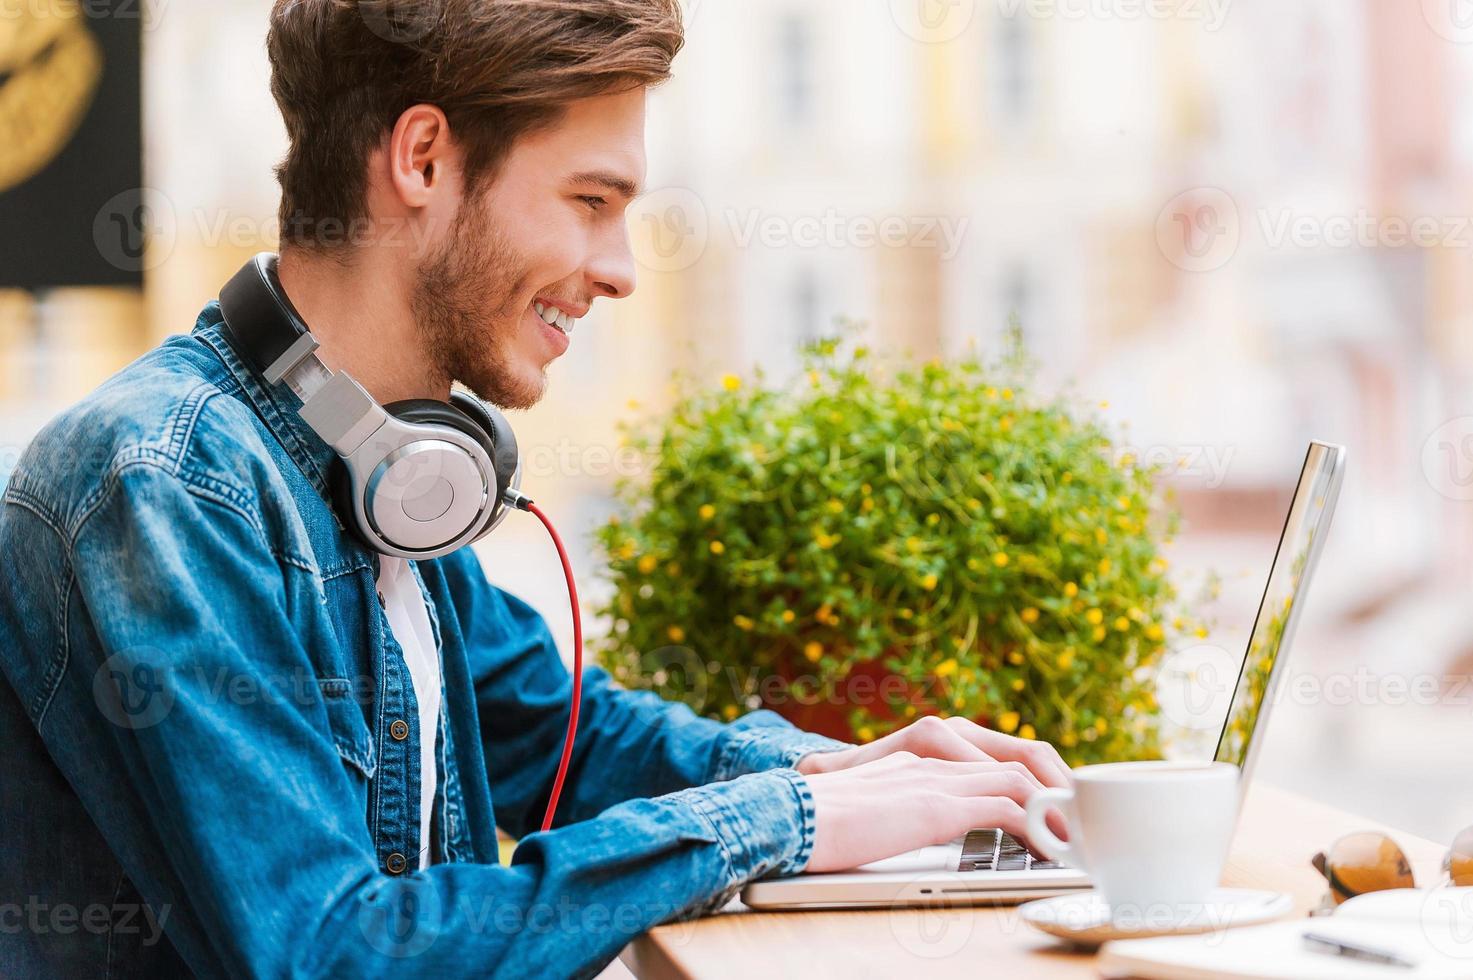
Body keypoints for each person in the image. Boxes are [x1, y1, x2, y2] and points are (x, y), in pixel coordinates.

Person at [0, 2, 1071, 976]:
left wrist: (842, 777)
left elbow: (569, 738)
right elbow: (330, 950)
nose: (621, 269)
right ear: (423, 157)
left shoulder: (383, 463)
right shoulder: (163, 483)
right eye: (590, 200)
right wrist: (781, 816)